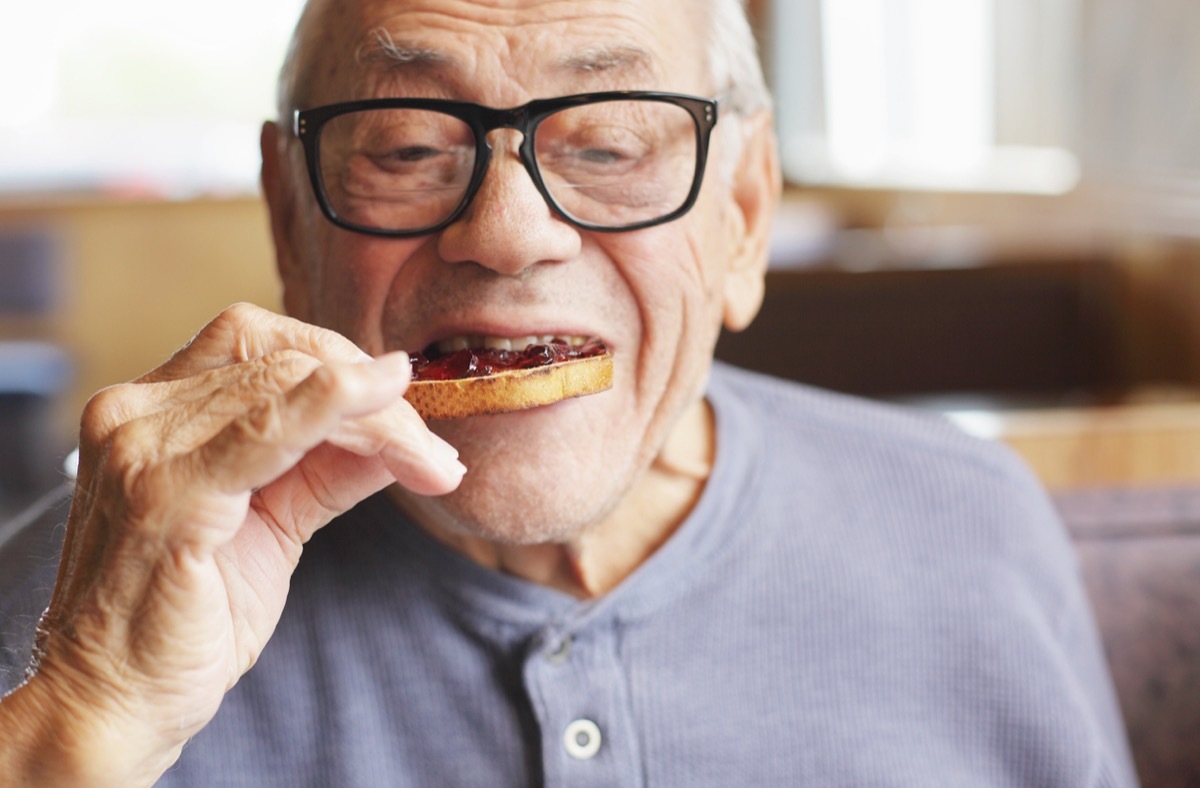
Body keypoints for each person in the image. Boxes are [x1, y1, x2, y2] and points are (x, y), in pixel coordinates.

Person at [0, 0, 1138, 785]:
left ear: (743, 214)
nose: (506, 232)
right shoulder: (83, 604)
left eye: (606, 144)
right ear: (289, 220)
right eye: (403, 148)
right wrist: (86, 720)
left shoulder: (972, 527)